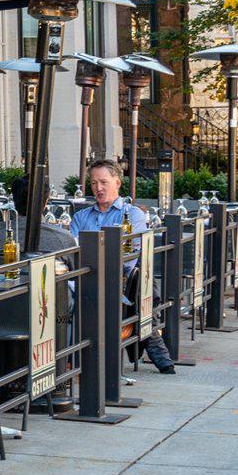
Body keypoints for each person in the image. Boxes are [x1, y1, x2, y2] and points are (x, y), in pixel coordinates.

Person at [68, 159, 172, 372]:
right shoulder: (80, 217)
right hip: (83, 282)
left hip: (119, 284)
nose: (98, 188)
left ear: (117, 183)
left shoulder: (132, 215)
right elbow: (72, 257)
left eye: (103, 182)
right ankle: (71, 360)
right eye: (94, 182)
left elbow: (130, 259)